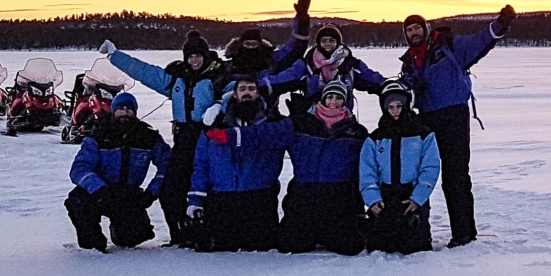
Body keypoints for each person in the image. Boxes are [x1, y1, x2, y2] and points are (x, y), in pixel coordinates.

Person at [398, 4, 515, 247]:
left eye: (417, 27)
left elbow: (481, 41)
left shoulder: (449, 45)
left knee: (456, 177)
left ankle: (463, 234)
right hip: (426, 119)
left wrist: (500, 24)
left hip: (453, 116)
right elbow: (402, 92)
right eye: (409, 30)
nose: (414, 32)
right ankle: (417, 233)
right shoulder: (408, 62)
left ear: (426, 28)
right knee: (421, 176)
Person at [96, 29, 224, 246]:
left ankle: (206, 234)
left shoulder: (218, 77)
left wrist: (220, 105)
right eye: (191, 56)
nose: (194, 60)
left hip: (208, 139)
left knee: (206, 188)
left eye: (198, 56)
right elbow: (144, 72)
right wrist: (114, 55)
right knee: (171, 191)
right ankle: (180, 236)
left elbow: (234, 92)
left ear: (205, 56)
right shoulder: (176, 79)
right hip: (183, 140)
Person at [186, 75, 294, 252]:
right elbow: (202, 164)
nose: (247, 93)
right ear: (234, 94)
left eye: (251, 89)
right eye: (242, 89)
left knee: (261, 247)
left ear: (258, 93)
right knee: (218, 248)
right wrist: (195, 199)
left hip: (259, 198)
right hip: (223, 197)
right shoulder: (214, 124)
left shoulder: (274, 123)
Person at [65, 92, 170, 252]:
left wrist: (151, 193)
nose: (125, 112)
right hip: (101, 191)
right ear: (113, 110)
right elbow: (80, 168)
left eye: (129, 109)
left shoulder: (148, 136)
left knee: (133, 237)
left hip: (129, 193)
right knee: (77, 201)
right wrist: (98, 189)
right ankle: (93, 245)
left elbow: (167, 165)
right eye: (121, 108)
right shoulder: (99, 134)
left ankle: (122, 229)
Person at [276, 81, 369, 255]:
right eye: (330, 97)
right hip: (305, 193)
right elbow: (269, 134)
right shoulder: (301, 124)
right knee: (289, 245)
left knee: (350, 247)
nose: (333, 102)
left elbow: (365, 169)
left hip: (337, 196)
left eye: (339, 98)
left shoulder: (356, 132)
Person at [358, 81, 441, 254]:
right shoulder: (375, 139)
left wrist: (418, 198)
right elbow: (367, 171)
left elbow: (430, 168)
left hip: (411, 198)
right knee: (379, 247)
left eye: (399, 106)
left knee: (416, 248)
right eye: (390, 107)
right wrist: (372, 199)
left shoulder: (424, 135)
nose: (395, 111)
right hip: (385, 197)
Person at [261, 24, 386, 116]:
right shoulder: (307, 64)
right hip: (313, 119)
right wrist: (257, 85)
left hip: (343, 119)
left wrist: (392, 85)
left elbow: (373, 79)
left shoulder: (351, 64)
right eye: (324, 40)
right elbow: (285, 78)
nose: (327, 43)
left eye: (332, 40)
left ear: (338, 43)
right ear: (318, 43)